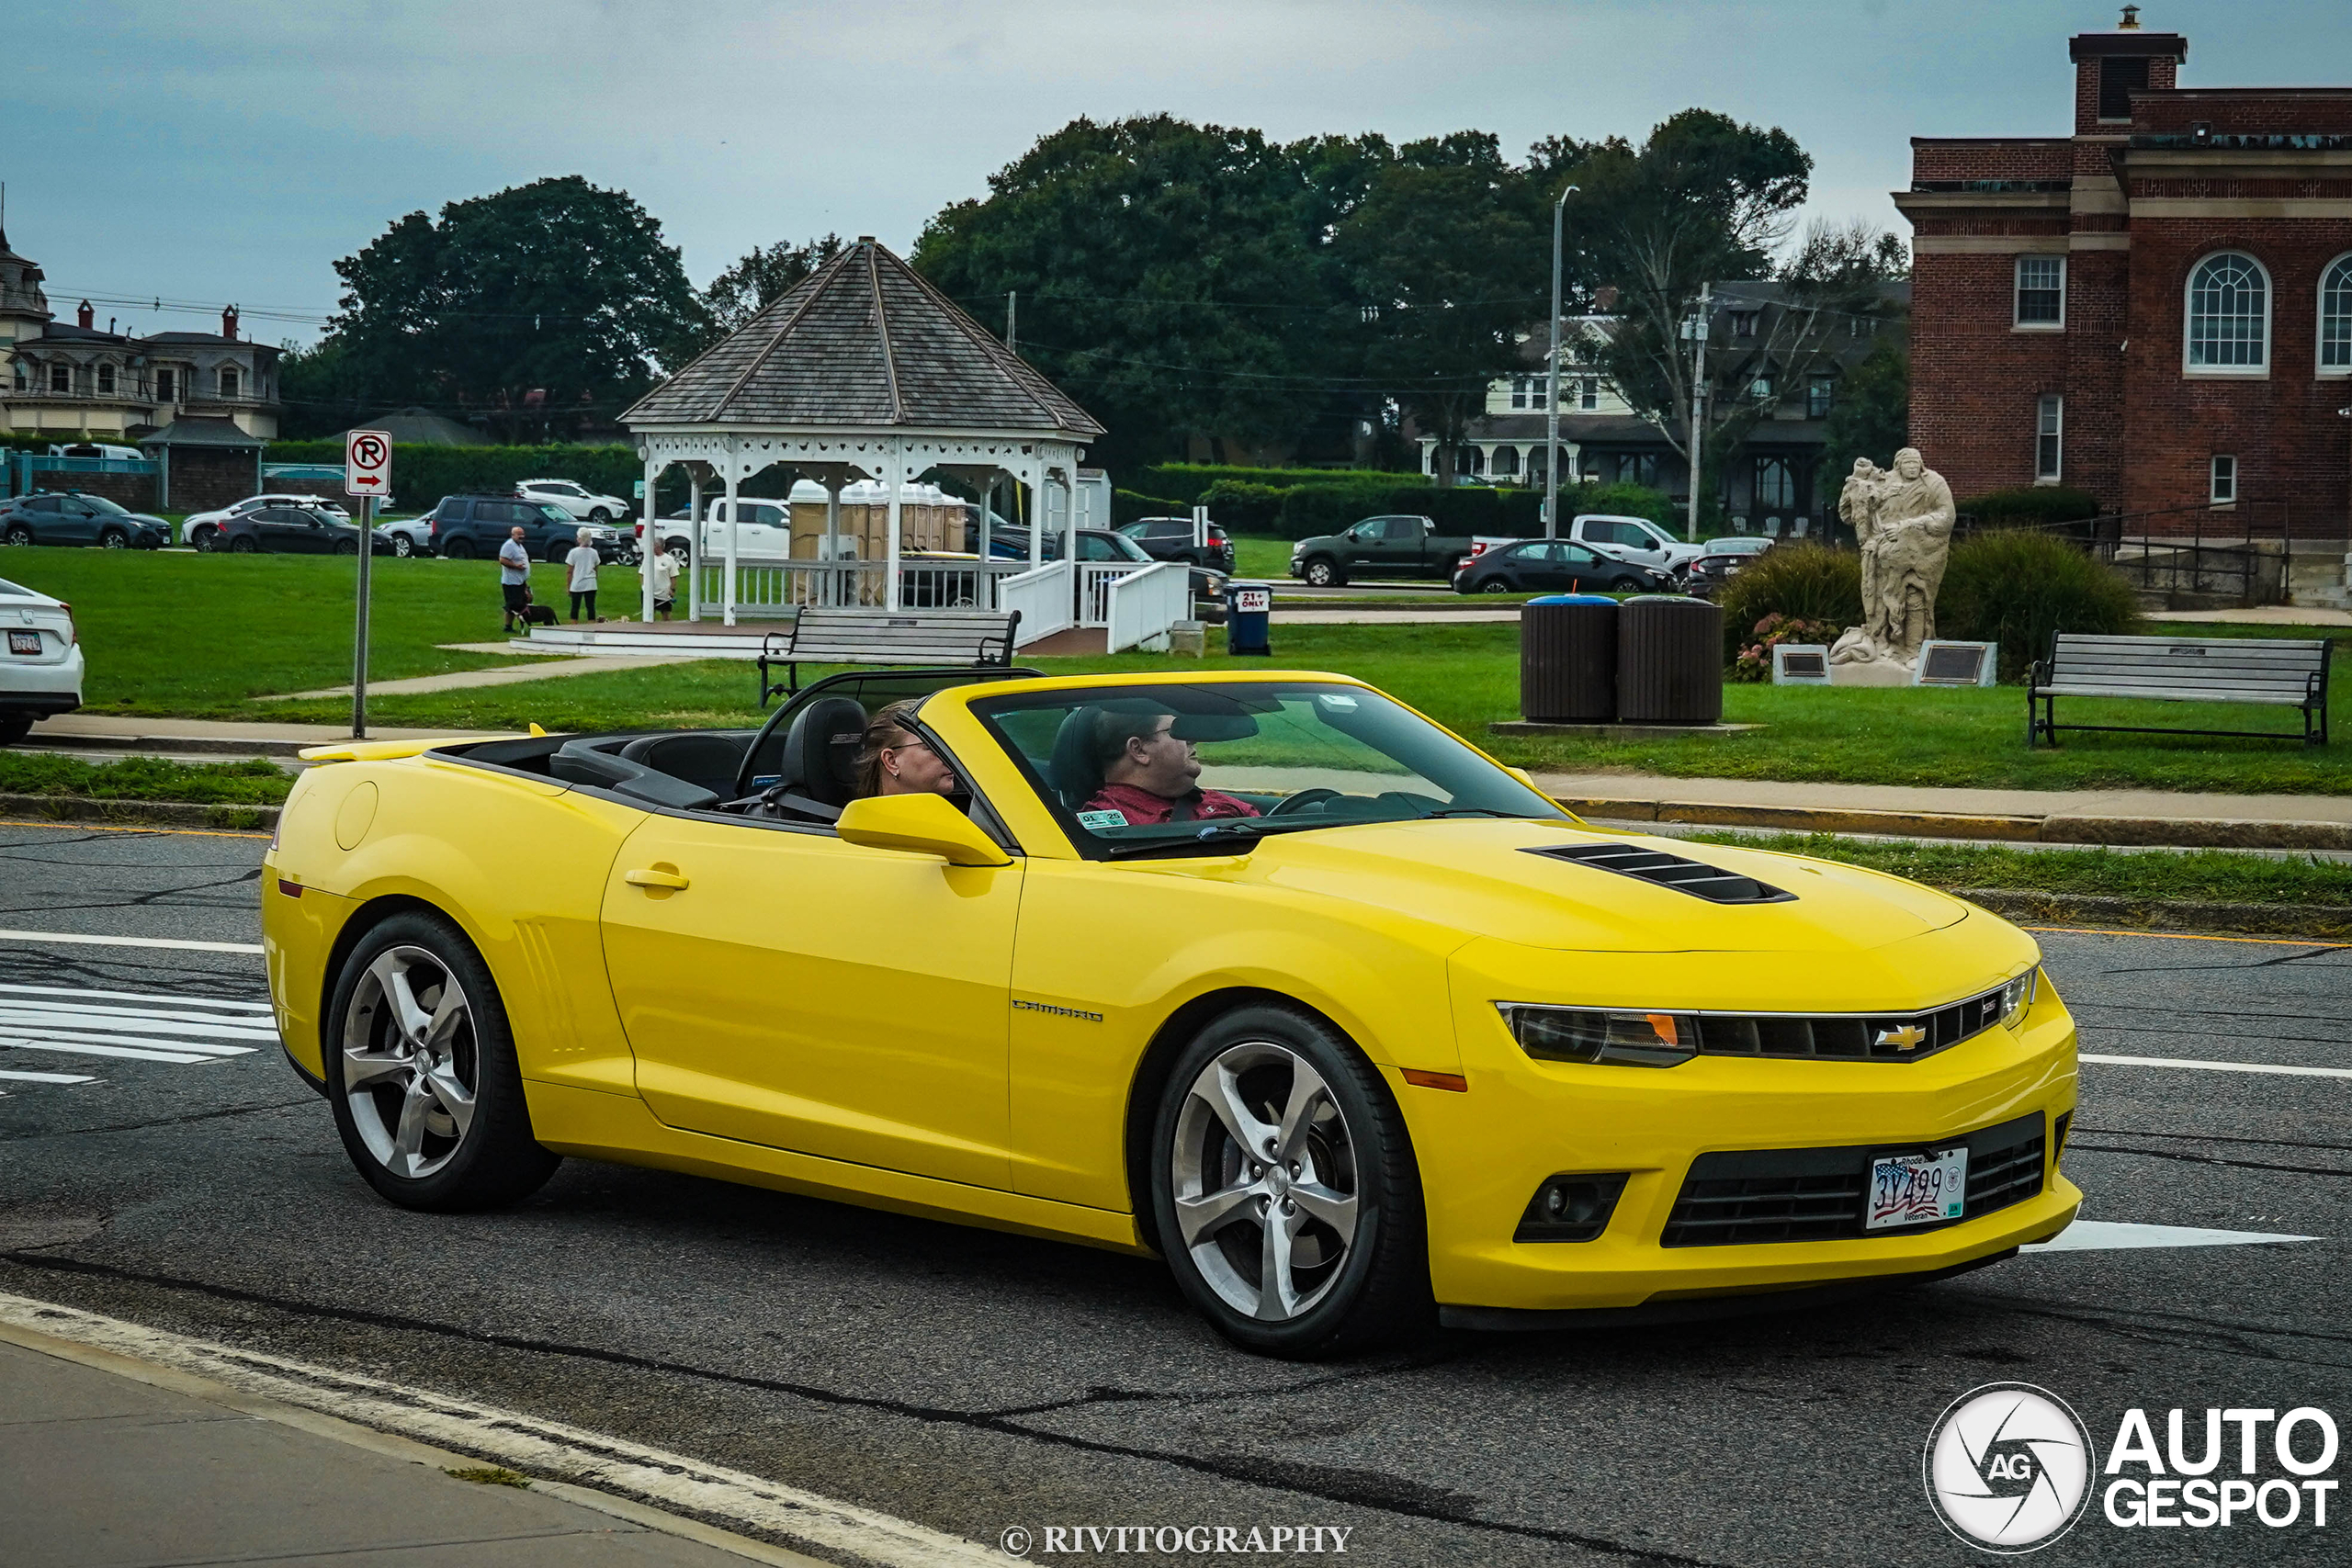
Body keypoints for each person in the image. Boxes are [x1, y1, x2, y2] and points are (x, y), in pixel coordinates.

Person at [1080, 706, 1259, 826]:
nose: (1191, 738)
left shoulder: (1218, 802)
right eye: (1176, 730)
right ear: (1139, 749)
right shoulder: (1102, 825)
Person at [855, 700, 959, 797]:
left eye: (948, 746)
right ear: (891, 761)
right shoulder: (869, 816)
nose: (950, 756)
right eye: (933, 747)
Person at [497, 525, 532, 632]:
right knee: (513, 605)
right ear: (513, 535)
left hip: (520, 581)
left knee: (524, 601)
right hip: (511, 582)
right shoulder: (509, 546)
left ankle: (520, 625)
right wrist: (515, 566)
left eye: (523, 534)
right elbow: (502, 560)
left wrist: (525, 582)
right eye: (519, 535)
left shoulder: (520, 546)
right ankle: (508, 626)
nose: (522, 536)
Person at [563, 528, 602, 622]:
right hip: (591, 583)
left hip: (577, 583)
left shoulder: (573, 552)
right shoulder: (594, 552)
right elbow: (596, 568)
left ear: (579, 539)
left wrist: (568, 586)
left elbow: (570, 571)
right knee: (591, 607)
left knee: (575, 606)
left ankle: (574, 625)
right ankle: (591, 625)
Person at [641, 538, 678, 620]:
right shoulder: (648, 558)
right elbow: (642, 573)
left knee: (666, 615)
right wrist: (644, 587)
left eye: (654, 546)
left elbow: (673, 576)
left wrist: (672, 589)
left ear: (659, 546)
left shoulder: (669, 559)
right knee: (649, 615)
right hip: (649, 592)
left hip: (663, 593)